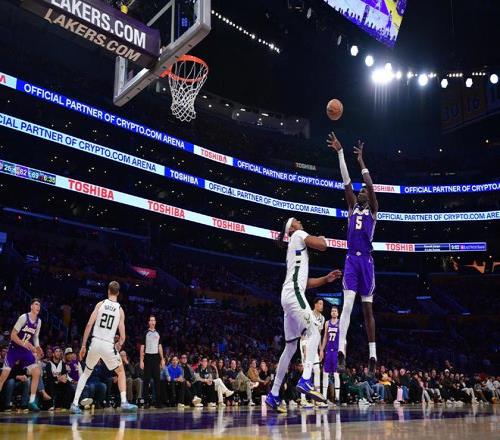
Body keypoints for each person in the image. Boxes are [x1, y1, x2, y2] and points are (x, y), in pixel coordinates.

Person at [265, 216, 342, 412]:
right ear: (291, 228)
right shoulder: (298, 234)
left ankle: (274, 394)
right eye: (296, 221)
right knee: (314, 330)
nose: (300, 222)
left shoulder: (294, 246)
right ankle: (306, 378)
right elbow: (322, 246)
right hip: (294, 294)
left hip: (288, 295)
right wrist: (322, 239)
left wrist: (325, 279)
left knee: (290, 346)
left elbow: (305, 283)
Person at [328, 134, 379, 376]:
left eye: (364, 191)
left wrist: (361, 161)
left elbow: (369, 185)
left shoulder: (374, 210)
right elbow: (346, 181)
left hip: (366, 261)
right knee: (347, 305)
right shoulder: (352, 207)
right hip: (351, 259)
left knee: (367, 310)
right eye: (360, 191)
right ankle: (341, 351)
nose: (361, 192)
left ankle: (373, 356)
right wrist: (340, 153)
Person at [70, 281, 137, 413]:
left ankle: (74, 403)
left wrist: (83, 345)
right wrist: (118, 345)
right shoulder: (120, 310)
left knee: (86, 372)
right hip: (107, 344)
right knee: (121, 372)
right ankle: (124, 402)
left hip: (95, 342)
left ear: (108, 291)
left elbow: (89, 325)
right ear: (118, 293)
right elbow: (123, 337)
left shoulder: (100, 304)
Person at [0, 298, 43, 412]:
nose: (38, 307)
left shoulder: (39, 321)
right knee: (3, 376)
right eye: (36, 304)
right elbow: (13, 335)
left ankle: (31, 401)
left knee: (37, 372)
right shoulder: (24, 317)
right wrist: (24, 343)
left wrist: (37, 347)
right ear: (31, 306)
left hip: (25, 351)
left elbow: (35, 337)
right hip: (14, 349)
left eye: (39, 305)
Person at [140, 315, 165, 408]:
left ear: (155, 322)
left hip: (156, 358)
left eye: (154, 320)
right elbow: (142, 347)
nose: (152, 322)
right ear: (149, 322)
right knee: (146, 381)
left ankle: (157, 402)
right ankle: (146, 402)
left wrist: (162, 359)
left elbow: (160, 346)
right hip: (147, 357)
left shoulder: (158, 333)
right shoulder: (145, 333)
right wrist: (141, 360)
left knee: (157, 381)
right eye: (151, 320)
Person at [320, 305, 341, 405]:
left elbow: (343, 338)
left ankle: (337, 397)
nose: (333, 312)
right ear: (330, 312)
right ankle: (324, 397)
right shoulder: (327, 323)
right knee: (325, 373)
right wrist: (321, 349)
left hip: (336, 351)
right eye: (332, 311)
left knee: (336, 374)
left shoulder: (340, 322)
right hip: (328, 350)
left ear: (338, 313)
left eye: (335, 311)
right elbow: (325, 337)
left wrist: (343, 351)